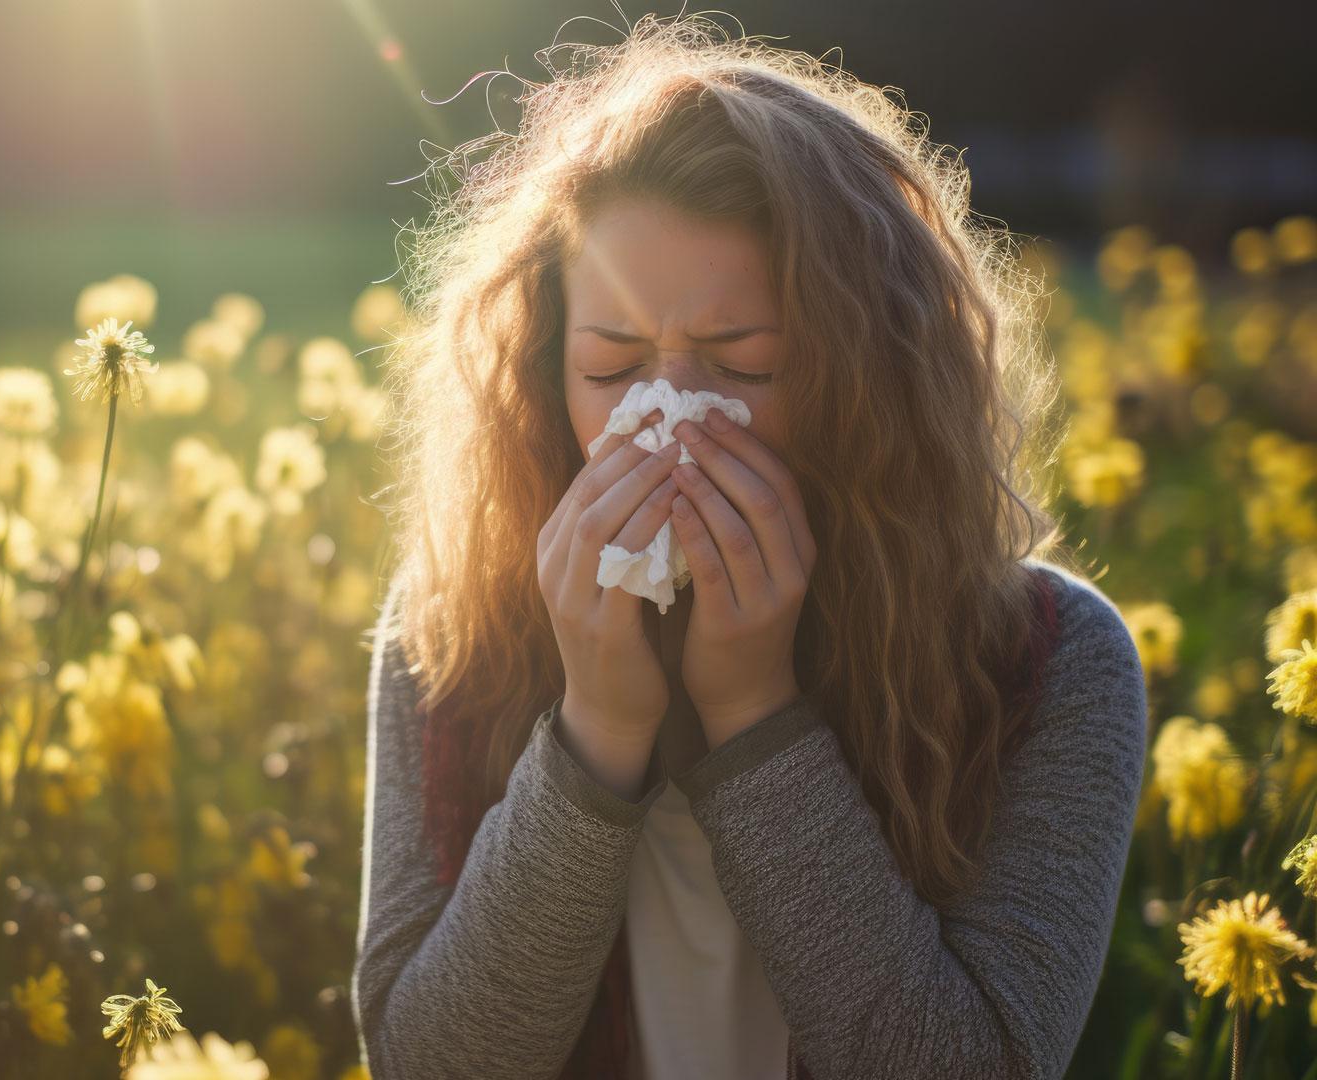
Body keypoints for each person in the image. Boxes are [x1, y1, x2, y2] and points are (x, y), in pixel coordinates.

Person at [349, 13, 1148, 1080]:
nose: (671, 419)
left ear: (872, 382)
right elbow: (428, 1062)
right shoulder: (450, 625)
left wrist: (754, 713)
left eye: (746, 362)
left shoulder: (1049, 664)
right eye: (610, 364)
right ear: (547, 375)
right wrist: (597, 728)